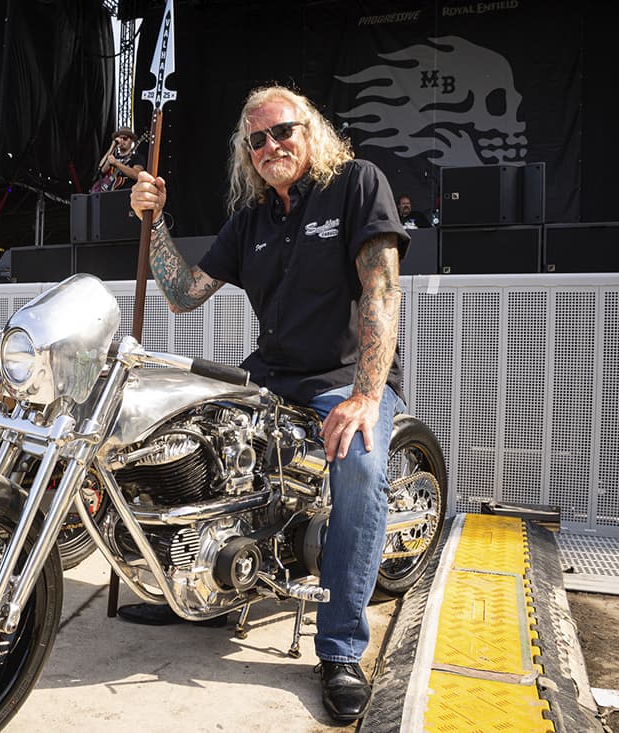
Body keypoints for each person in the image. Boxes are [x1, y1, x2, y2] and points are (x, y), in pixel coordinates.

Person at [124, 85, 409, 725]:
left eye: (281, 131)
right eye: (256, 140)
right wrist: (155, 220)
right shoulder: (251, 219)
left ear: (310, 131)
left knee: (360, 469)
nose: (270, 146)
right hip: (269, 378)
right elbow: (182, 293)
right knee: (179, 435)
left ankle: (339, 649)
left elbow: (381, 293)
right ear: (245, 154)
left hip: (342, 377)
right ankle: (195, 588)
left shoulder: (357, 184)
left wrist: (365, 395)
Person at [90, 127, 146, 193]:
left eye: (125, 138)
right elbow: (102, 169)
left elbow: (137, 175)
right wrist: (112, 147)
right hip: (110, 194)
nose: (122, 140)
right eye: (120, 138)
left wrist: (116, 163)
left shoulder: (137, 158)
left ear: (131, 141)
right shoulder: (113, 157)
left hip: (127, 194)